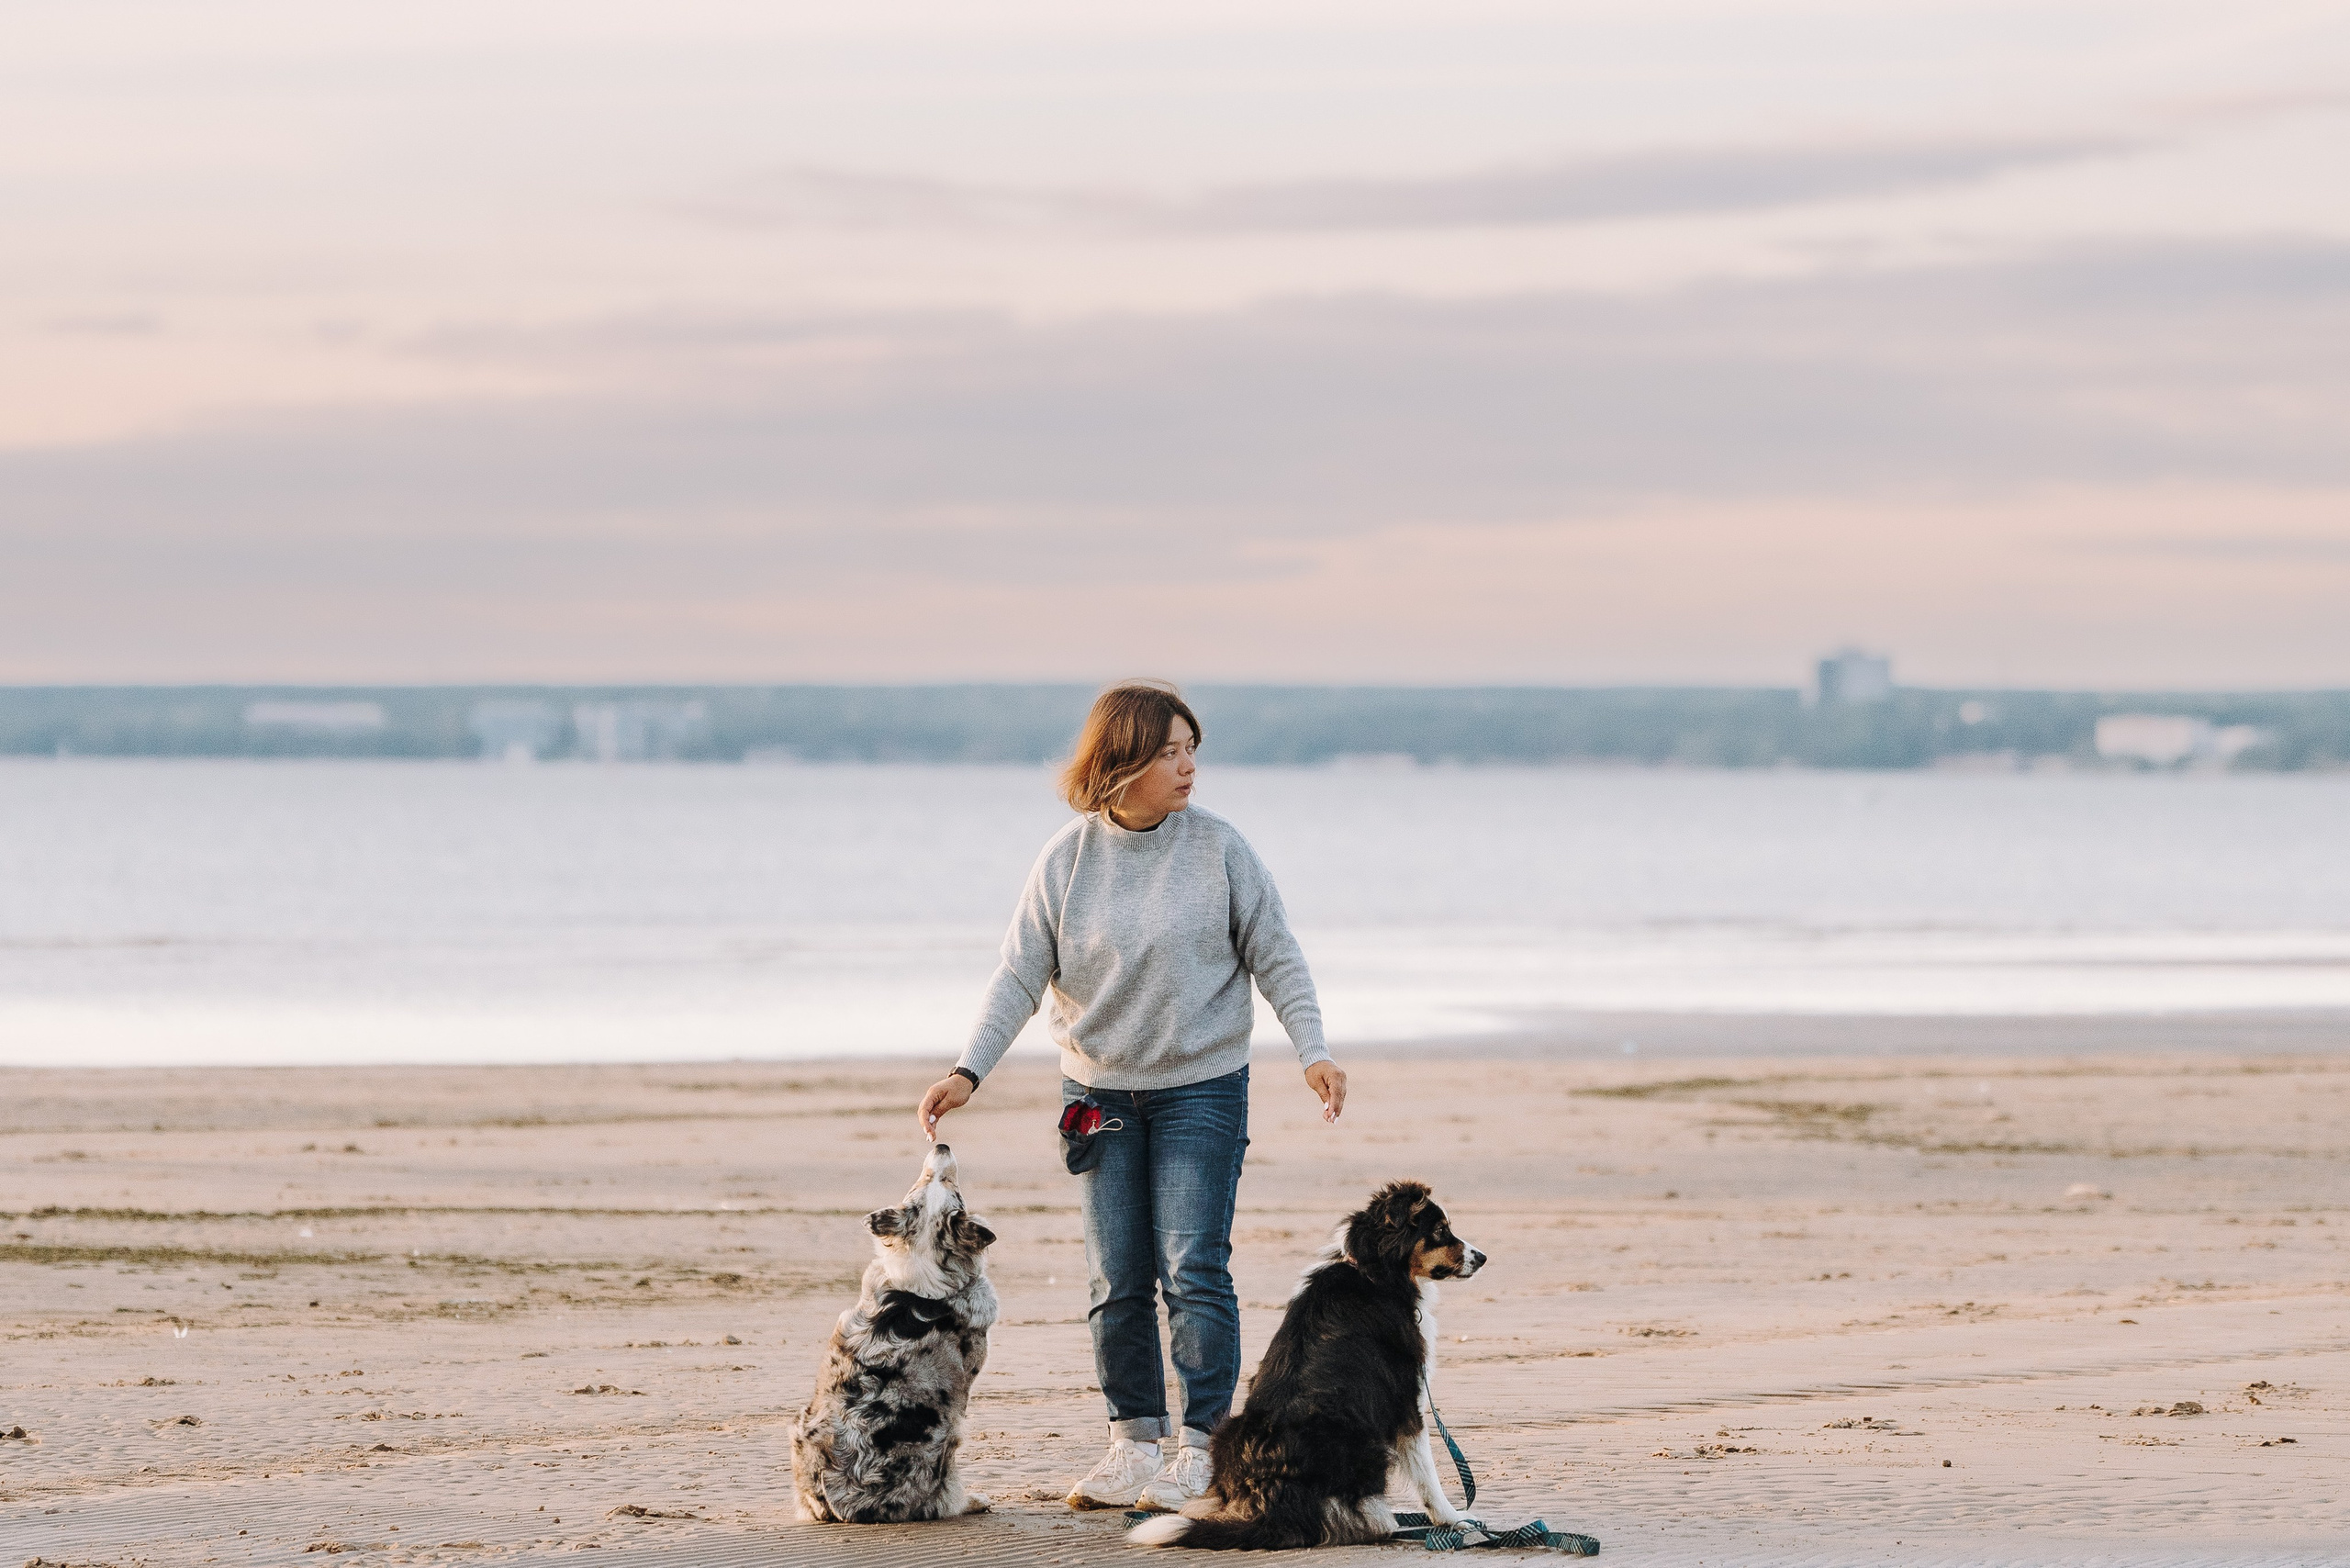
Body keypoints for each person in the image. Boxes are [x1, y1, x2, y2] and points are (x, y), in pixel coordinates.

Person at [915, 679, 1347, 1513]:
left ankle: (1201, 1449)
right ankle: (1133, 1443)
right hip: (1100, 1093)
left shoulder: (1220, 849)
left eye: (1193, 750)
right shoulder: (1067, 859)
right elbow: (1019, 973)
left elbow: (1278, 956)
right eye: (1169, 752)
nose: (1188, 768)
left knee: (1193, 1268)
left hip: (1202, 1090)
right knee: (1116, 1278)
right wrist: (968, 1071)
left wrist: (1312, 1051)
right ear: (1121, 762)